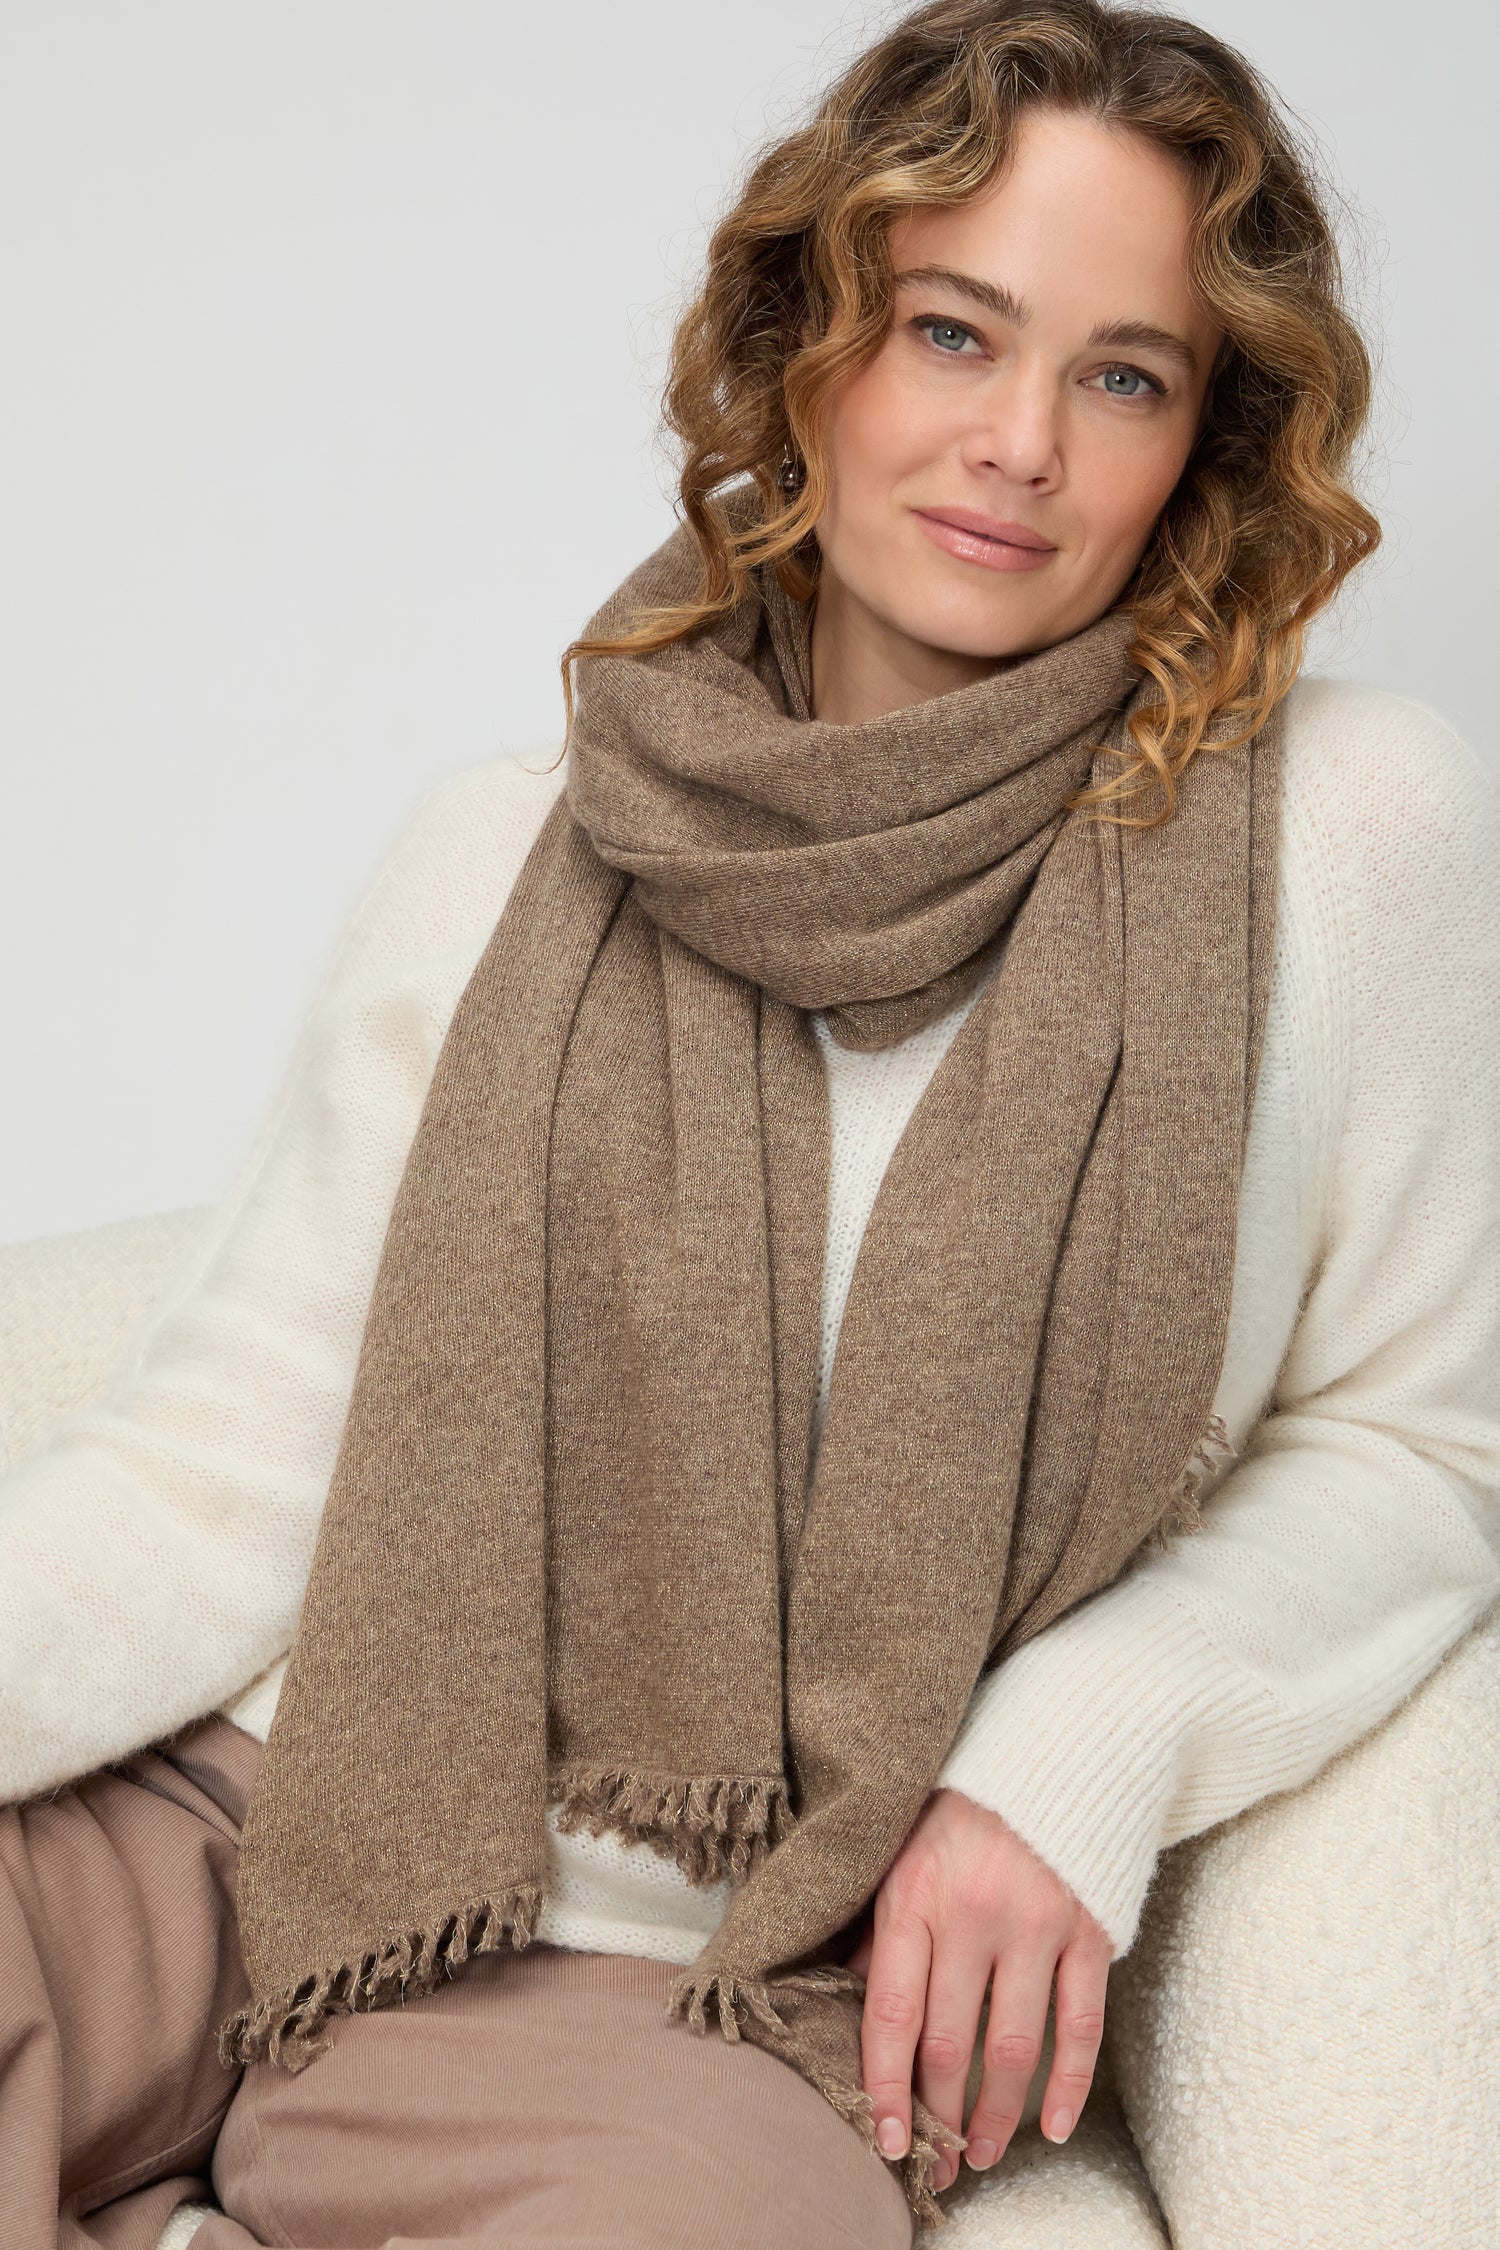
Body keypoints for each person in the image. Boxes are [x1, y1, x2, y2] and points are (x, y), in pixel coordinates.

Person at [4, 1, 1498, 2245]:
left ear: (1208, 436)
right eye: (952, 334)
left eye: (1120, 374)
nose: (1015, 444)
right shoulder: (517, 838)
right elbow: (226, 1460)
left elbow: (1422, 1443)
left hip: (685, 1984)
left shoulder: (1340, 844)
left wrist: (1070, 1752)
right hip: (261, 1821)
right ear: (811, 349)